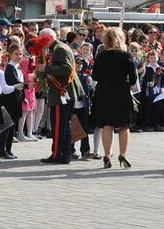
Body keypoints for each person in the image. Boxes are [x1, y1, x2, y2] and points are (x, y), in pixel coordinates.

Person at [90, 27, 136, 169]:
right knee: (124, 125)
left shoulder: (101, 56)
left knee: (107, 125)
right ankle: (123, 154)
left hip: (104, 92)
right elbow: (133, 79)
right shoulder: (126, 56)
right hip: (121, 91)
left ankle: (107, 155)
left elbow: (95, 76)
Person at [39, 28, 84, 165]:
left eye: (42, 40)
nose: (41, 43)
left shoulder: (59, 49)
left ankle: (58, 154)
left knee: (59, 125)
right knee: (64, 125)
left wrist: (45, 69)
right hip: (64, 92)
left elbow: (66, 69)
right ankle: (65, 153)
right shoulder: (59, 47)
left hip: (61, 92)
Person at [0, 44, 25, 159]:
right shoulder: (9, 68)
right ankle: (1, 150)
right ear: (10, 55)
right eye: (16, 54)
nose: (19, 56)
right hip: (8, 101)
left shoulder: (18, 67)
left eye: (20, 54)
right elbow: (15, 82)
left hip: (16, 100)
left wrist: (23, 97)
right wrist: (28, 85)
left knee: (12, 126)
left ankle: (8, 149)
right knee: (6, 126)